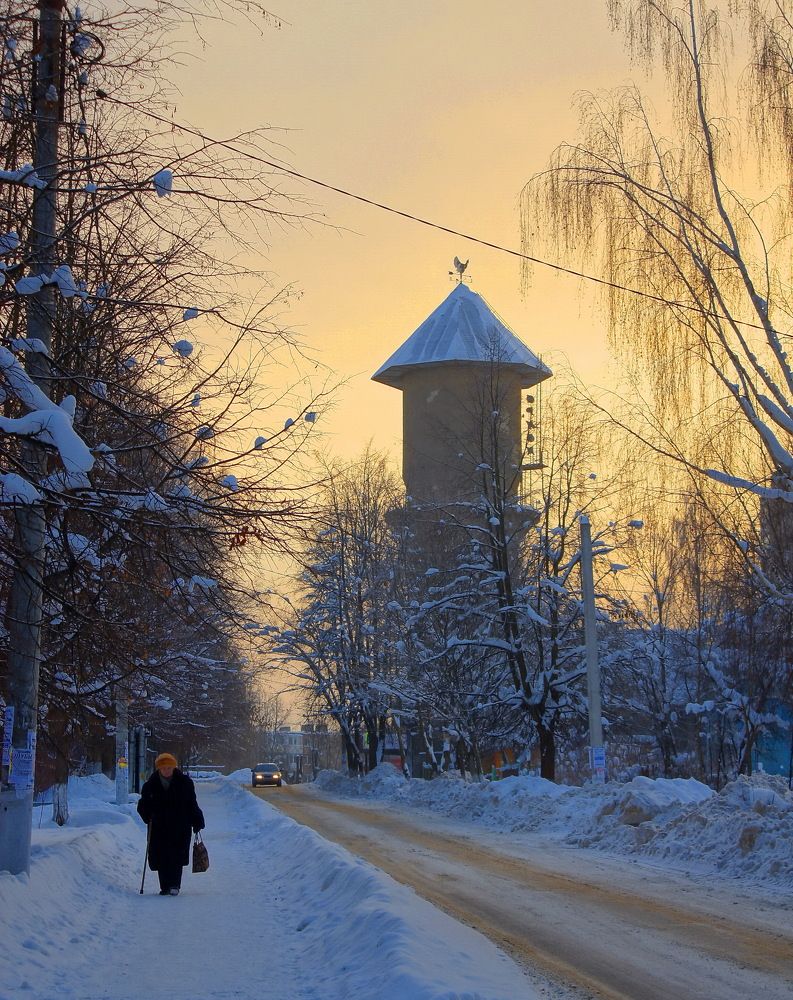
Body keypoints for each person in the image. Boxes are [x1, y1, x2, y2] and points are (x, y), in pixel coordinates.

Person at [136, 752, 205, 896]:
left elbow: (192, 803)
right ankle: (164, 886)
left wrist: (197, 819)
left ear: (174, 767)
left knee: (177, 855)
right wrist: (147, 815)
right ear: (159, 769)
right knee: (161, 856)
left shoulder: (185, 783)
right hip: (158, 826)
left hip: (180, 825)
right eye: (163, 768)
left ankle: (175, 885)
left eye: (169, 768)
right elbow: (142, 805)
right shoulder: (150, 785)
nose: (166, 770)